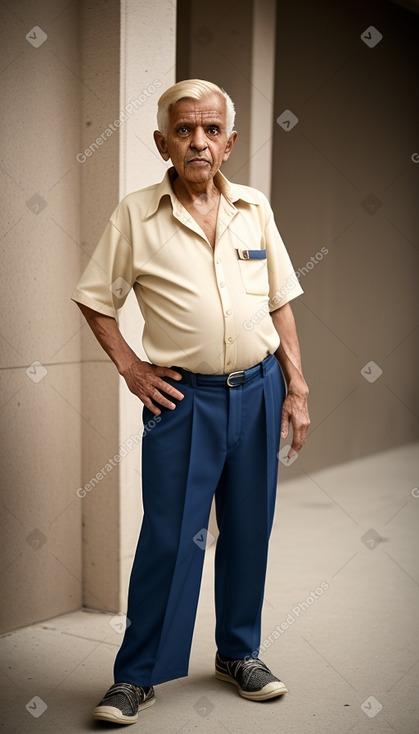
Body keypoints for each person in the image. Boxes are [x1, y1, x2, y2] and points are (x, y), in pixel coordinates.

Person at [71, 78, 310, 726]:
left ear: (228, 142)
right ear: (161, 142)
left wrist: (297, 388)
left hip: (258, 392)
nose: (197, 141)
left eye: (210, 130)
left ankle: (239, 652)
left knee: (248, 529)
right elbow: (95, 295)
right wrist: (130, 366)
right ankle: (137, 675)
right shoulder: (135, 214)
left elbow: (280, 300)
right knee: (171, 539)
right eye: (184, 130)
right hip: (185, 401)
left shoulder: (254, 209)